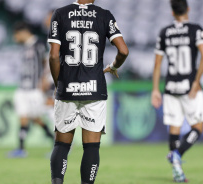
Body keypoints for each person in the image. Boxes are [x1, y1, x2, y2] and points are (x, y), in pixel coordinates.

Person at [48, 0, 129, 183]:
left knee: (61, 145)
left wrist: (58, 84)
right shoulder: (104, 15)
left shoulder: (60, 13)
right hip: (94, 90)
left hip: (67, 89)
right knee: (91, 148)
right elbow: (123, 50)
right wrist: (114, 66)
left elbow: (53, 55)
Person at [151, 0, 203, 182]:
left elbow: (157, 65)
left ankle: (177, 172)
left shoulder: (165, 33)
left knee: (174, 129)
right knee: (197, 127)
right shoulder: (196, 29)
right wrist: (196, 82)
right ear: (188, 9)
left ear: (172, 12)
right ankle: (177, 154)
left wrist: (155, 89)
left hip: (170, 88)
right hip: (189, 86)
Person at [8, 22, 54, 158]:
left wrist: (45, 79)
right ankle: (21, 148)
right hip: (22, 88)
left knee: (36, 118)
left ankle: (55, 142)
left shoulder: (39, 44)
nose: (15, 38)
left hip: (35, 89)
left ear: (23, 32)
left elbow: (47, 62)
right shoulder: (25, 47)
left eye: (16, 35)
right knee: (23, 116)